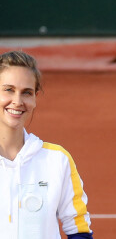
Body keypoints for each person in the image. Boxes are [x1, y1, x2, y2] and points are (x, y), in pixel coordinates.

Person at [0, 51, 93, 239]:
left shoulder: (57, 160)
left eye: (26, 92)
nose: (17, 101)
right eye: (8, 90)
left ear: (35, 98)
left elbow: (79, 230)